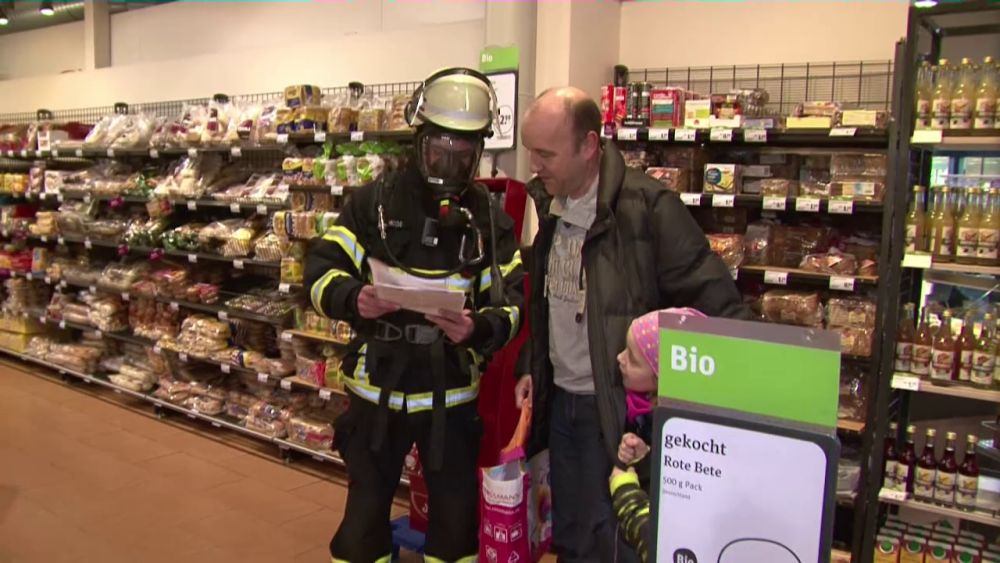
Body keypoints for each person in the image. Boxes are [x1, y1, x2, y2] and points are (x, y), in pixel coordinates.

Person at [514, 87, 750, 562]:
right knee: (570, 538)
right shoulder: (551, 204)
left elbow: (719, 308)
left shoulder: (649, 207)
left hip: (619, 415)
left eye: (545, 154)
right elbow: (550, 300)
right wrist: (530, 364)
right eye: (530, 152)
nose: (534, 166)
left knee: (613, 542)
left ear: (588, 145)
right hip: (561, 403)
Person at [306, 67, 525, 563]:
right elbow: (320, 271)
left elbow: (511, 303)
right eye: (439, 150)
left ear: (478, 153)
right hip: (376, 387)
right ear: (419, 140)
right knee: (363, 520)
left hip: (450, 391)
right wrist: (353, 298)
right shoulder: (372, 204)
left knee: (456, 521)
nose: (449, 165)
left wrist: (477, 327)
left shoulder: (488, 220)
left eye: (463, 155)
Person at [609, 308, 707, 563]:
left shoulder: (688, 431)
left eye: (632, 358)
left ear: (661, 375)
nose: (620, 358)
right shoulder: (642, 410)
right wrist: (644, 457)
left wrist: (624, 489)